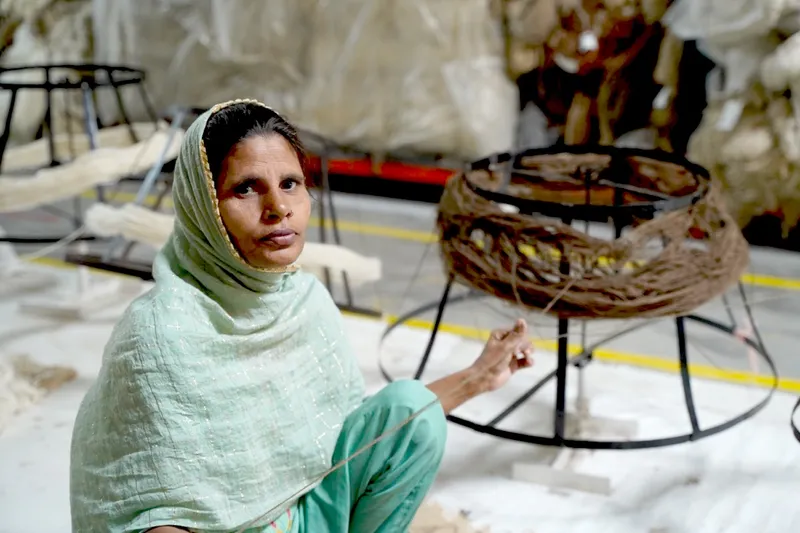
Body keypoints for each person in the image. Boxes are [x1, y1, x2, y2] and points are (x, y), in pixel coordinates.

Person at [69, 99, 534, 533]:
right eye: (246, 189)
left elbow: (352, 435)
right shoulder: (158, 330)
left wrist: (477, 377)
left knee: (412, 411)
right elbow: (149, 510)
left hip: (307, 513)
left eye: (290, 184)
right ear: (202, 208)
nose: (278, 209)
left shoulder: (303, 299)